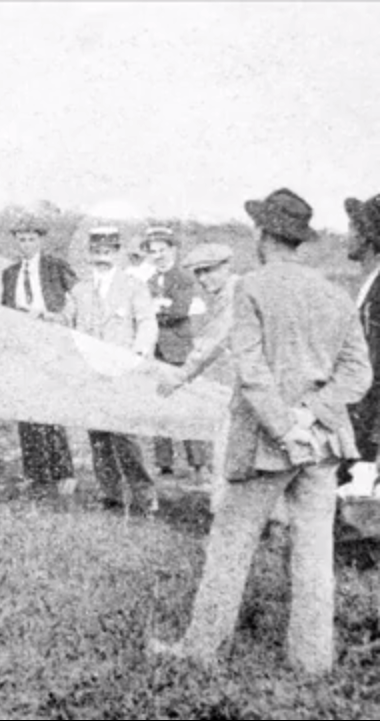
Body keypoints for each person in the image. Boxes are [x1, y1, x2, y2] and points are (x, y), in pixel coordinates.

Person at [150, 188, 372, 674]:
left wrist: (283, 427)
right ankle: (312, 664)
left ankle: (200, 651)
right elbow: (358, 374)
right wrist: (311, 415)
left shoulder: (250, 287)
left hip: (269, 446)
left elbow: (251, 374)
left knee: (230, 546)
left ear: (263, 234)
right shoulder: (334, 293)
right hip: (323, 443)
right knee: (314, 557)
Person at [63, 227, 159, 512]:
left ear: (117, 253)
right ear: (89, 254)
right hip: (91, 373)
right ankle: (111, 494)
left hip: (122, 373)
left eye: (108, 252)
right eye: (97, 252)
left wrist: (140, 352)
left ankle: (145, 495)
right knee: (98, 437)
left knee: (126, 436)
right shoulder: (79, 290)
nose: (102, 257)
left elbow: (146, 322)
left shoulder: (133, 287)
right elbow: (66, 325)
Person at [157, 242, 239, 512]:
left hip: (256, 388)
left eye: (209, 271)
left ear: (226, 267)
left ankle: (227, 518)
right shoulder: (229, 293)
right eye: (198, 274)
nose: (203, 280)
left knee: (229, 452)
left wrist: (178, 378)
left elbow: (210, 345)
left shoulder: (235, 294)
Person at [0, 215, 79, 493]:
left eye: (31, 239)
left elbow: (78, 297)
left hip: (52, 342)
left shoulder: (54, 266)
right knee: (26, 408)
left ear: (40, 240)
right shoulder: (9, 273)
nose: (26, 244)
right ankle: (35, 472)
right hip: (24, 346)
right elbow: (4, 312)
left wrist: (55, 317)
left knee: (52, 407)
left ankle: (64, 472)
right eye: (21, 239)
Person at [143, 226, 211, 481]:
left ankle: (199, 464)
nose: (158, 256)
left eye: (162, 250)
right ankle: (164, 464)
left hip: (179, 349)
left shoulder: (183, 277)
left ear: (173, 250)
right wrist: (156, 308)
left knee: (186, 405)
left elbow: (180, 310)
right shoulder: (149, 280)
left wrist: (155, 310)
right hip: (156, 349)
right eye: (153, 251)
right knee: (160, 406)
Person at [341, 193, 380, 483]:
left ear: (367, 237)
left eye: (352, 228)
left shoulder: (377, 290)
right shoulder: (370, 284)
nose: (347, 236)